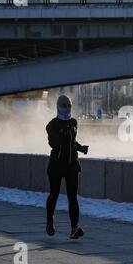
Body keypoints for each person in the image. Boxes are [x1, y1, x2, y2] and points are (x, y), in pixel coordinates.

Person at [45, 95, 89, 239]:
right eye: (64, 106)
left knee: (73, 198)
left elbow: (72, 142)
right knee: (54, 194)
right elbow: (53, 143)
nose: (67, 108)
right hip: (56, 166)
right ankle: (50, 222)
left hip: (72, 166)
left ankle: (74, 228)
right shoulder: (52, 125)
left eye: (69, 106)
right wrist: (63, 134)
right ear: (58, 107)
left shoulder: (74, 122)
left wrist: (81, 148)